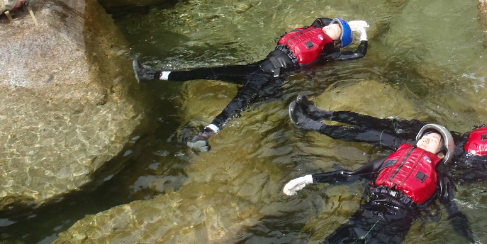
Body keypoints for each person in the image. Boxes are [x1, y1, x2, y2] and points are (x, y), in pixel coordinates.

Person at [134, 18, 369, 151]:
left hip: (269, 76)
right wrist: (349, 22)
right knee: (207, 71)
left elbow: (359, 54)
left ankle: (203, 136)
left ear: (338, 41)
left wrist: (362, 33)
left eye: (335, 29)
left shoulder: (327, 54)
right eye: (332, 24)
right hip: (257, 67)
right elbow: (321, 19)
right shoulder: (316, 29)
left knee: (237, 103)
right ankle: (151, 75)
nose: (328, 27)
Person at [282, 124, 482, 244]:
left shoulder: (440, 175)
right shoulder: (393, 159)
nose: (426, 139)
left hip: (390, 233)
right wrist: (309, 179)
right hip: (361, 221)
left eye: (434, 139)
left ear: (441, 153)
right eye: (424, 136)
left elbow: (454, 212)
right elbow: (351, 175)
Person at [288, 95, 487, 184]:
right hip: (448, 137)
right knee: (387, 123)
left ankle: (313, 125)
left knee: (376, 135)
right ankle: (324, 112)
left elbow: (464, 175)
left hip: (440, 154)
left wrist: (430, 164)